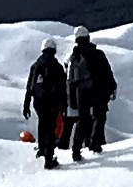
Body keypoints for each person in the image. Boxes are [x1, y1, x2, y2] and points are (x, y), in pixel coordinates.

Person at [22, 39, 70, 167]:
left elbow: (30, 87)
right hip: (54, 103)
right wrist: (65, 105)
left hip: (39, 102)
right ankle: (49, 159)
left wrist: (26, 104)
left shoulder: (35, 66)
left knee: (42, 123)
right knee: (51, 127)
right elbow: (63, 89)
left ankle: (42, 150)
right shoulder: (58, 68)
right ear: (54, 50)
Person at [70, 30, 117, 156]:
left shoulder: (74, 58)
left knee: (82, 120)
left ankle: (76, 149)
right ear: (88, 38)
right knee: (99, 117)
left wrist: (72, 101)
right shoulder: (98, 54)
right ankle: (94, 143)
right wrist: (112, 87)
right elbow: (107, 72)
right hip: (98, 91)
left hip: (81, 92)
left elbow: (71, 81)